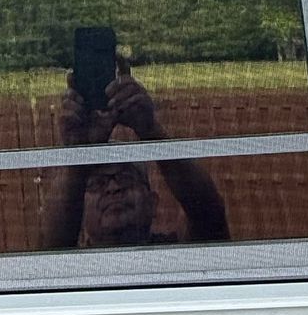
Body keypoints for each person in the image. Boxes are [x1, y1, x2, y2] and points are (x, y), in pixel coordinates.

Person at [38, 61, 230, 249]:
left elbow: (208, 214)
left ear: (152, 203)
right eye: (98, 184)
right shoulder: (68, 271)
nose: (113, 188)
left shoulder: (176, 256)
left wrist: (150, 129)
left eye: (126, 179)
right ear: (80, 210)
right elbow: (52, 249)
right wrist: (78, 159)